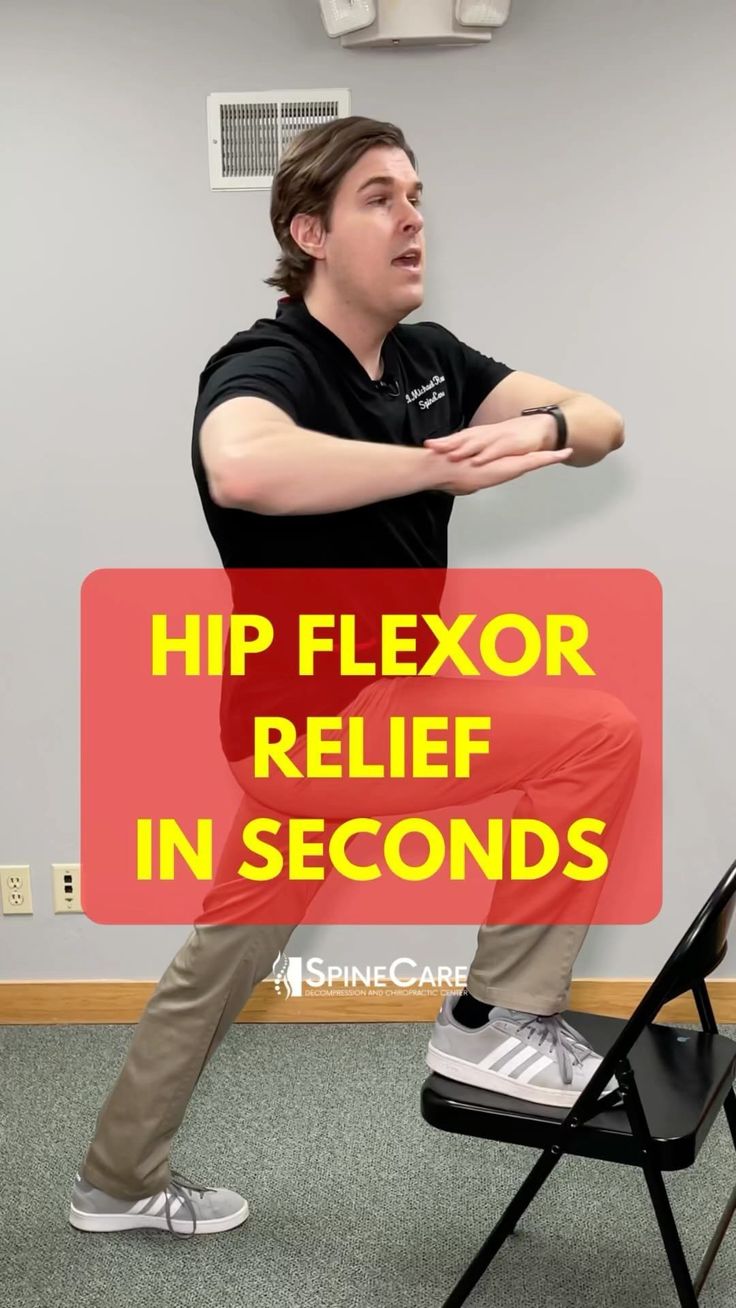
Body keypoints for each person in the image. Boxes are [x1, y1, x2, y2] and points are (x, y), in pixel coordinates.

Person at [69, 116, 641, 1240]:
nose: (413, 214)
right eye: (379, 196)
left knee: (214, 966)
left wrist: (543, 426)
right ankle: (495, 1017)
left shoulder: (430, 364)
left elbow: (602, 423)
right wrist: (434, 466)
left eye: (417, 192)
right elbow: (242, 466)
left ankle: (113, 1182)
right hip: (325, 728)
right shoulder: (266, 363)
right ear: (309, 232)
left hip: (327, 733)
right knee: (598, 732)